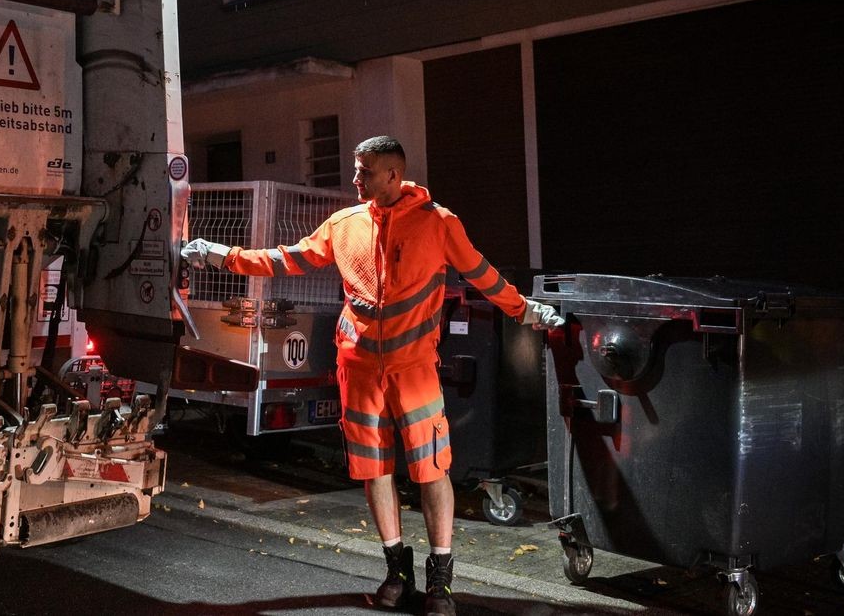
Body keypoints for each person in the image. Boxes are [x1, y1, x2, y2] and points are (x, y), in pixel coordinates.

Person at [182, 136, 563, 616]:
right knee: (373, 469)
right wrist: (220, 255)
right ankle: (395, 572)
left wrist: (525, 310)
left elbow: (483, 275)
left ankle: (441, 583)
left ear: (393, 175)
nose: (355, 179)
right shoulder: (344, 224)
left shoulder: (439, 223)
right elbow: (285, 259)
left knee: (431, 470)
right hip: (358, 370)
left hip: (414, 370)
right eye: (355, 168)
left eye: (364, 171)